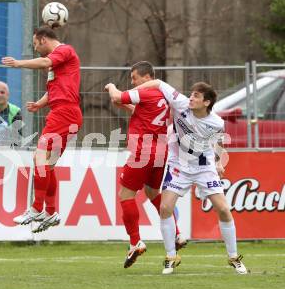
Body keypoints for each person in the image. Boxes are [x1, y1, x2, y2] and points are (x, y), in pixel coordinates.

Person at [133, 78, 248, 275]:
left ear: (207, 103)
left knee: (223, 209)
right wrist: (130, 92)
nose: (191, 98)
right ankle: (170, 257)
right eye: (192, 94)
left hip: (204, 167)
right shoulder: (180, 103)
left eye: (196, 96)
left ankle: (234, 257)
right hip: (178, 166)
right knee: (165, 207)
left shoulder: (217, 123)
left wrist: (219, 162)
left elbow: (217, 142)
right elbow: (158, 83)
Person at [105, 61, 186, 269]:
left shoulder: (146, 92)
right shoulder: (162, 96)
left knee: (125, 195)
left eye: (134, 78)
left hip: (143, 151)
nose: (133, 82)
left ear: (146, 77)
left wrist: (111, 86)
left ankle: (135, 241)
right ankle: (177, 234)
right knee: (152, 192)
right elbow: (141, 113)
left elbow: (116, 96)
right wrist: (125, 103)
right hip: (160, 151)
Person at [2, 26, 82, 233]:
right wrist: (39, 103)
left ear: (43, 39)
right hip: (65, 112)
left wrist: (19, 63)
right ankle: (51, 211)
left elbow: (45, 61)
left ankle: (36, 208)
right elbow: (56, 90)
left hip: (64, 114)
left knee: (39, 157)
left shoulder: (65, 51)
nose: (35, 48)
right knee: (48, 164)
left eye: (35, 44)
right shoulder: (56, 65)